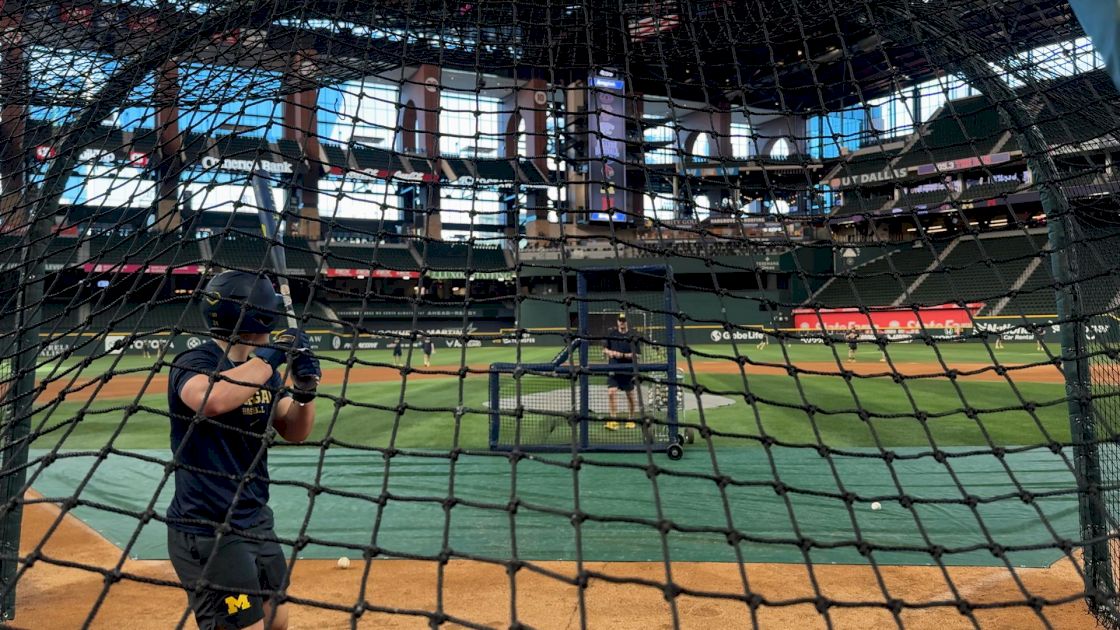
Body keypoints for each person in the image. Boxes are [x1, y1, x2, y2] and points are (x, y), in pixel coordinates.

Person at [166, 271, 321, 630]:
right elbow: (212, 400)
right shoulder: (194, 363)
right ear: (256, 316)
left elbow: (295, 430)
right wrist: (270, 356)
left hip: (254, 518)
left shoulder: (261, 371)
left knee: (276, 617)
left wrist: (305, 390)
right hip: (208, 528)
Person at [603, 313, 640, 430]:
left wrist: (623, 355)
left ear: (627, 322)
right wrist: (611, 353)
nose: (622, 322)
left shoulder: (633, 336)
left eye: (624, 320)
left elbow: (637, 355)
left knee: (630, 396)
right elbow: (604, 349)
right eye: (620, 320)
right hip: (613, 369)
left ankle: (631, 419)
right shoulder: (612, 334)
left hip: (628, 370)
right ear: (617, 322)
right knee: (611, 393)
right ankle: (613, 420)